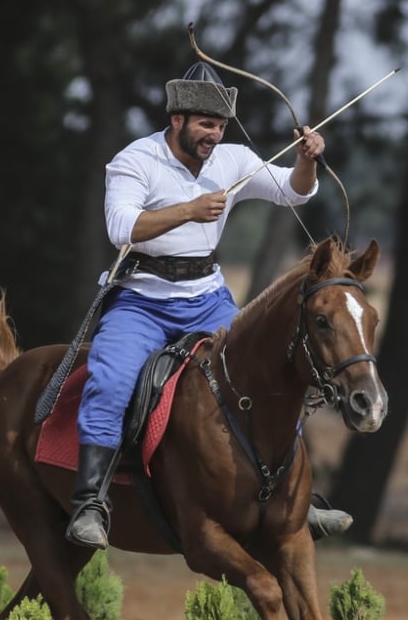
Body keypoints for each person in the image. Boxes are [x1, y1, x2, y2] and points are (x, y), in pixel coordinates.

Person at [67, 61, 351, 550]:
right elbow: (121, 229)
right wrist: (187, 211)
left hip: (207, 298)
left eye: (219, 125)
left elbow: (294, 192)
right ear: (176, 119)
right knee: (111, 381)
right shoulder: (135, 160)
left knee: (276, 374)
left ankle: (301, 501)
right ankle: (90, 502)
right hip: (141, 300)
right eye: (204, 124)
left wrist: (308, 159)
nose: (213, 135)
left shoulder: (233, 158)